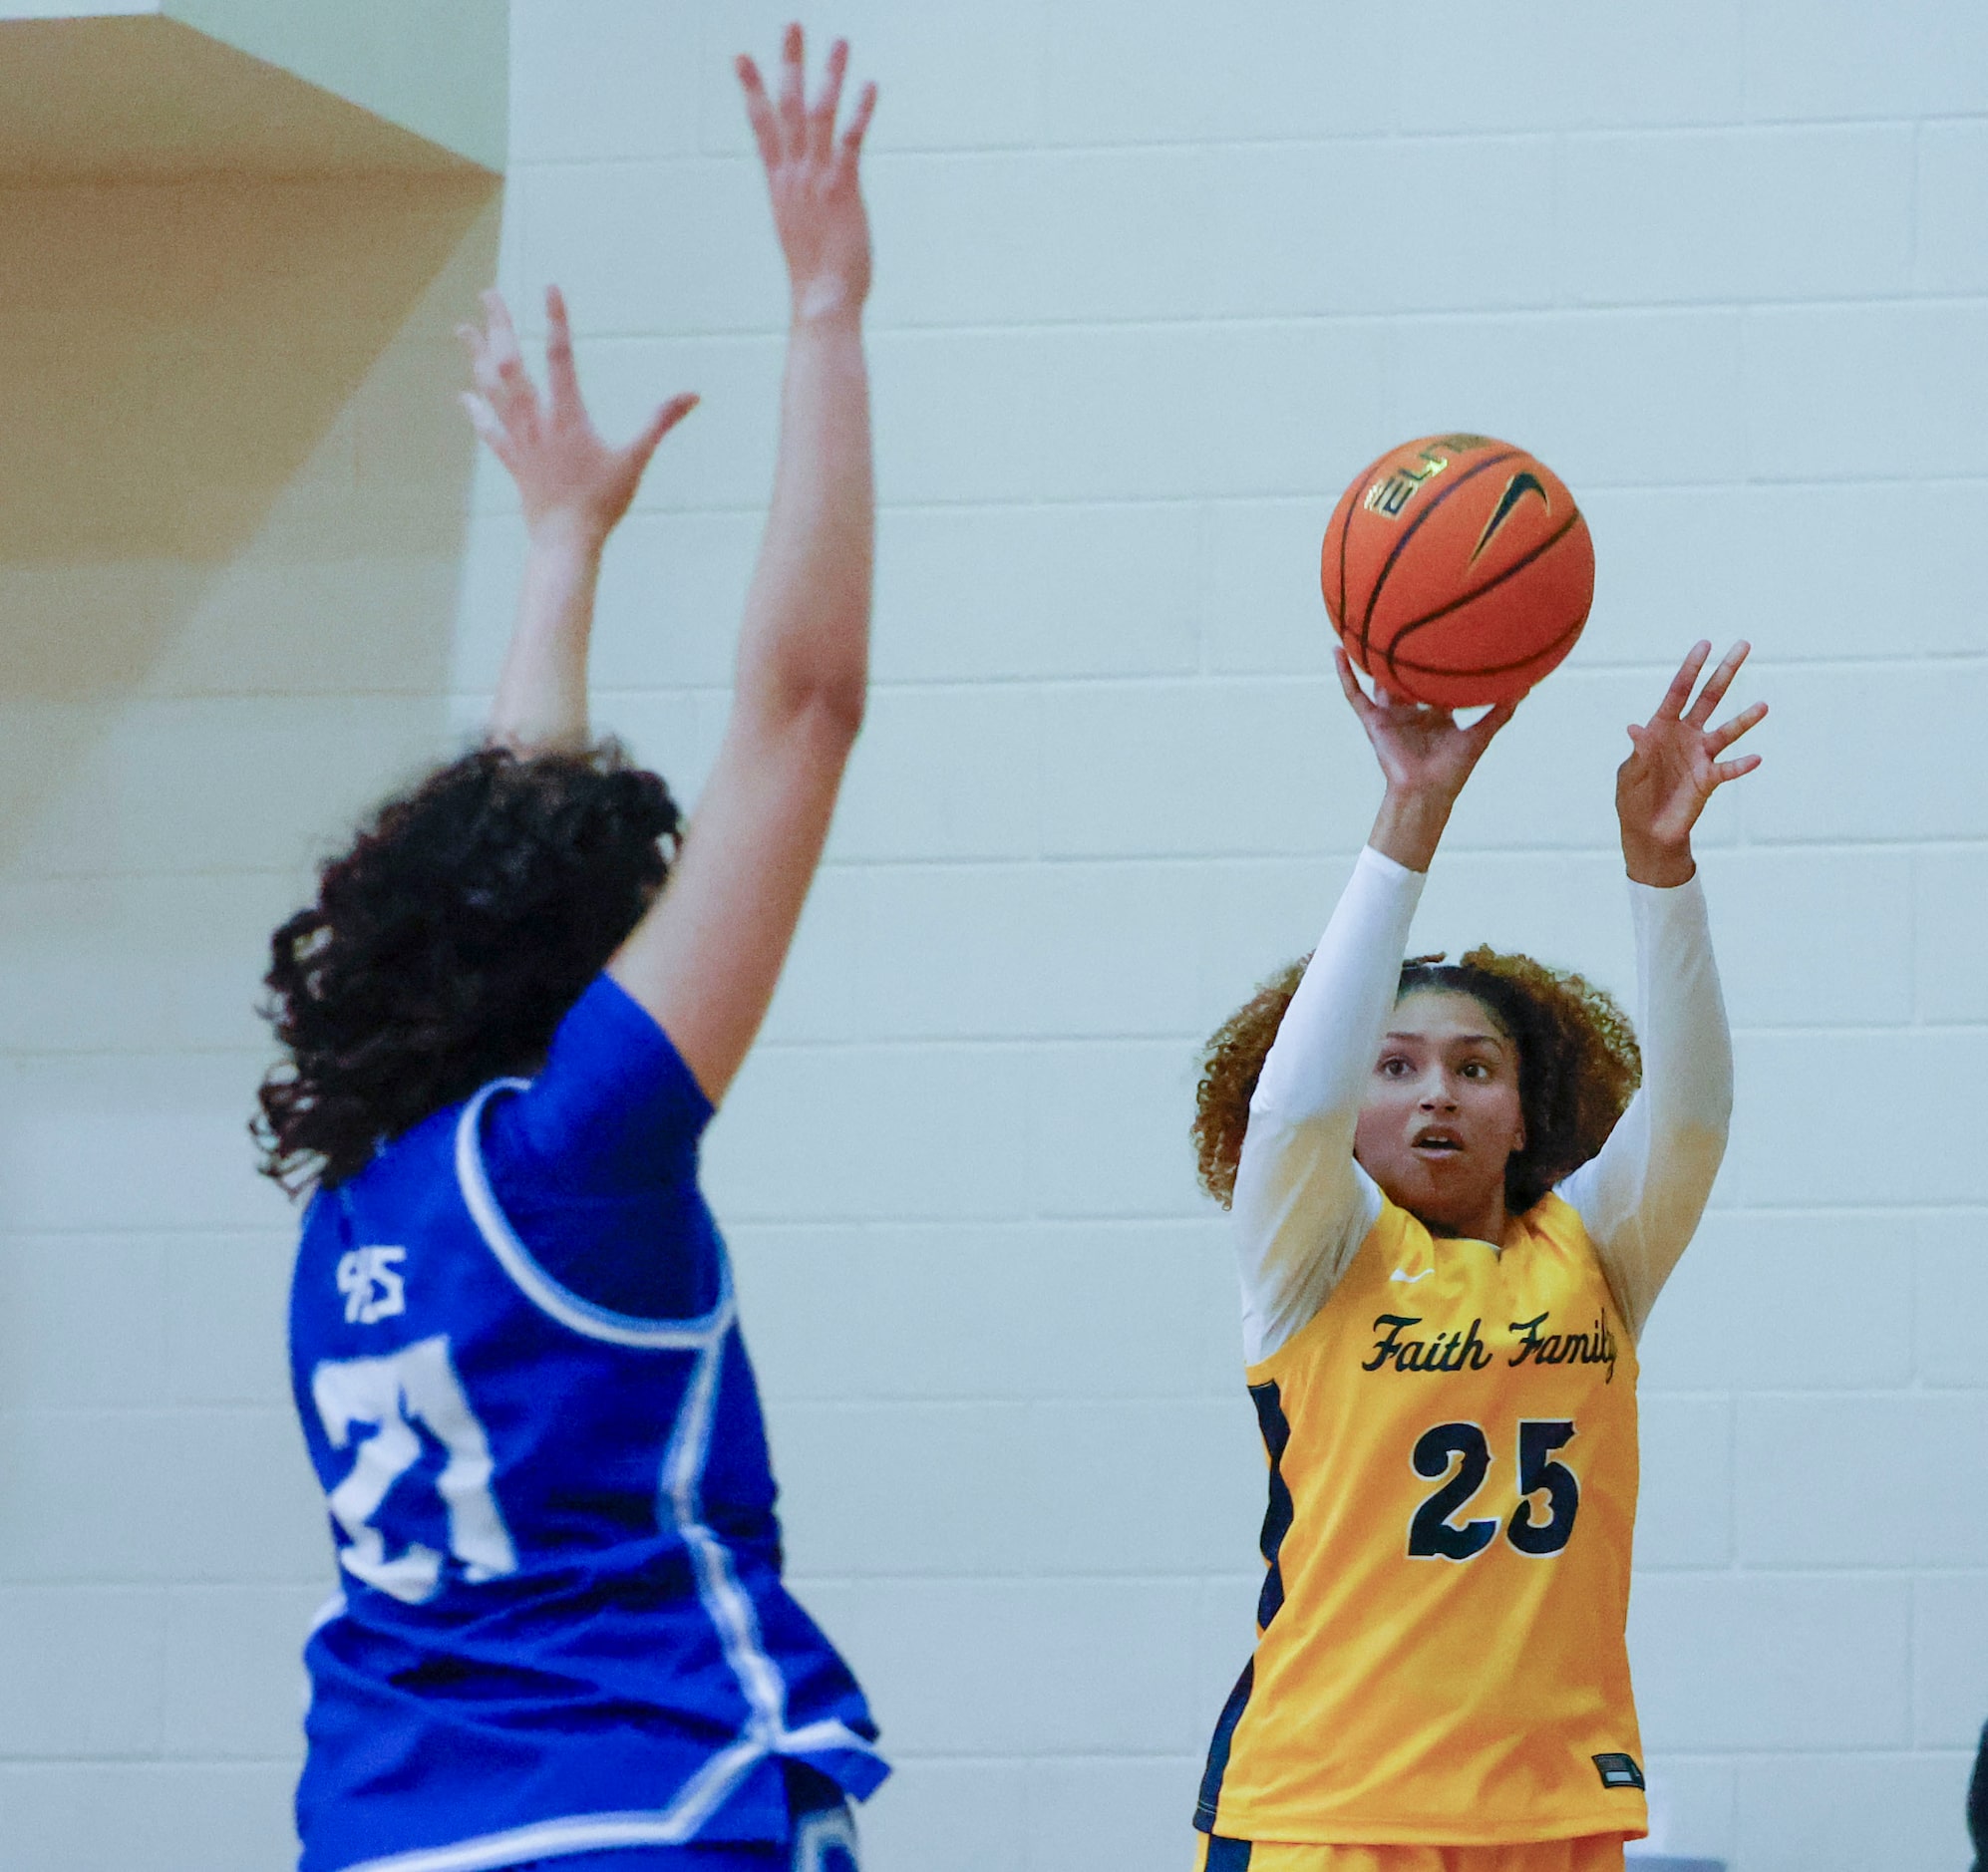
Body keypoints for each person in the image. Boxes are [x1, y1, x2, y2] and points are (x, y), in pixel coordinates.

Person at [256, 28, 882, 1872]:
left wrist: (560, 547)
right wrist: (824, 312)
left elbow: (507, 864)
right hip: (645, 1814)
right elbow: (803, 712)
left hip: (376, 1825)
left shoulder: (353, 1209)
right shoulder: (579, 1160)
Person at [1187, 642, 1767, 1872]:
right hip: (1325, 1809)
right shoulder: (1312, 1253)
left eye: (1471, 1067)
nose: (1433, 1094)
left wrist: (1658, 869)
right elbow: (1289, 1117)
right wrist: (1409, 814)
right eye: (1389, 1067)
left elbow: (1695, 1116)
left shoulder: (1596, 1251)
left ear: (1524, 1110)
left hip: (1549, 1811)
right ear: (1349, 1095)